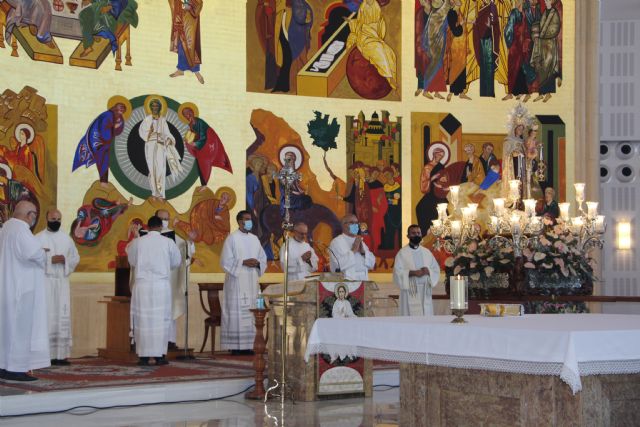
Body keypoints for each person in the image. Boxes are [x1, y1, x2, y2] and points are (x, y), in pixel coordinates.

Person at [0, 201, 49, 381]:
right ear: (29, 215)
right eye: (34, 214)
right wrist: (43, 253)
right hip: (22, 289)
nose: (34, 218)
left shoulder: (5, 228)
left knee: (6, 329)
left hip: (8, 286)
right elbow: (34, 253)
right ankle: (16, 368)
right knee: (19, 329)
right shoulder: (21, 230)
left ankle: (4, 366)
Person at [127, 216, 182, 366]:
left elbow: (131, 261)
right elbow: (176, 262)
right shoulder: (168, 242)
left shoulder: (137, 242)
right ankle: (159, 356)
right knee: (160, 320)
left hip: (142, 285)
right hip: (160, 285)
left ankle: (143, 357)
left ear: (148, 227)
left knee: (143, 319)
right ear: (160, 227)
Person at [36, 208, 80, 366]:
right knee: (47, 317)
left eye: (59, 219)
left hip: (61, 282)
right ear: (47, 218)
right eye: (53, 219)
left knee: (61, 316)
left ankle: (60, 355)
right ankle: (44, 355)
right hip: (45, 282)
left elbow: (75, 257)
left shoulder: (66, 239)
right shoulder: (38, 238)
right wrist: (49, 260)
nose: (56, 222)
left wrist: (65, 261)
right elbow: (32, 259)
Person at [220, 210, 267, 354]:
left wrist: (258, 263)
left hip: (251, 280)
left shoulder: (254, 239)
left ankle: (249, 345)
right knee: (237, 312)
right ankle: (235, 347)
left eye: (250, 219)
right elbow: (225, 261)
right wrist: (243, 262)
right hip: (237, 281)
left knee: (251, 311)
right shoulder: (232, 239)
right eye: (247, 219)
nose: (249, 222)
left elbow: (263, 258)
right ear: (240, 221)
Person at [155, 209, 195, 349]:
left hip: (170, 279)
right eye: (162, 218)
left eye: (167, 218)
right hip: (153, 280)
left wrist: (189, 241)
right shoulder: (147, 236)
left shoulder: (174, 237)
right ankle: (153, 341)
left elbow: (185, 252)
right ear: (156, 219)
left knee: (169, 309)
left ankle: (170, 340)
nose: (165, 221)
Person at [72, 102, 127, 185]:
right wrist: (113, 127)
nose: (122, 110)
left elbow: (118, 131)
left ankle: (104, 181)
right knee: (103, 159)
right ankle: (103, 182)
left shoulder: (119, 117)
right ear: (115, 108)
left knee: (105, 160)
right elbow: (104, 130)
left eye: (123, 109)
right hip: (97, 140)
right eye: (120, 108)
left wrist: (118, 126)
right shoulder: (108, 115)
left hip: (106, 142)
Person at [138, 98, 181, 199]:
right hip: (150, 145)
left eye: (156, 106)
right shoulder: (147, 119)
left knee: (161, 169)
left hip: (161, 146)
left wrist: (170, 139)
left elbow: (167, 133)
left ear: (160, 108)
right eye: (153, 106)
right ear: (150, 107)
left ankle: (161, 194)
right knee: (152, 169)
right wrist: (149, 131)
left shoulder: (162, 120)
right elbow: (142, 132)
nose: (155, 108)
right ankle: (154, 193)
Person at [393, 225, 440, 316]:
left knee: (425, 315)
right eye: (413, 233)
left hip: (424, 290)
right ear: (408, 236)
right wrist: (412, 273)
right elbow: (397, 272)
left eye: (418, 233)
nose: (416, 235)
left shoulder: (426, 252)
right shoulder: (402, 253)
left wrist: (428, 271)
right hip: (410, 290)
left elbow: (435, 269)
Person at [329, 214, 375, 281]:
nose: (355, 225)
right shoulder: (336, 242)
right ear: (343, 225)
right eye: (352, 222)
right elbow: (337, 266)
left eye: (356, 223)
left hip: (363, 279)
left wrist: (363, 252)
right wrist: (353, 251)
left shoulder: (360, 241)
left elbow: (372, 264)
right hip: (346, 280)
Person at [169, 0, 205, 84]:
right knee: (181, 45)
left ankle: (196, 72)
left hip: (190, 23)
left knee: (191, 47)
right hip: (180, 20)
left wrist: (190, 6)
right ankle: (180, 69)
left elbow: (199, 3)